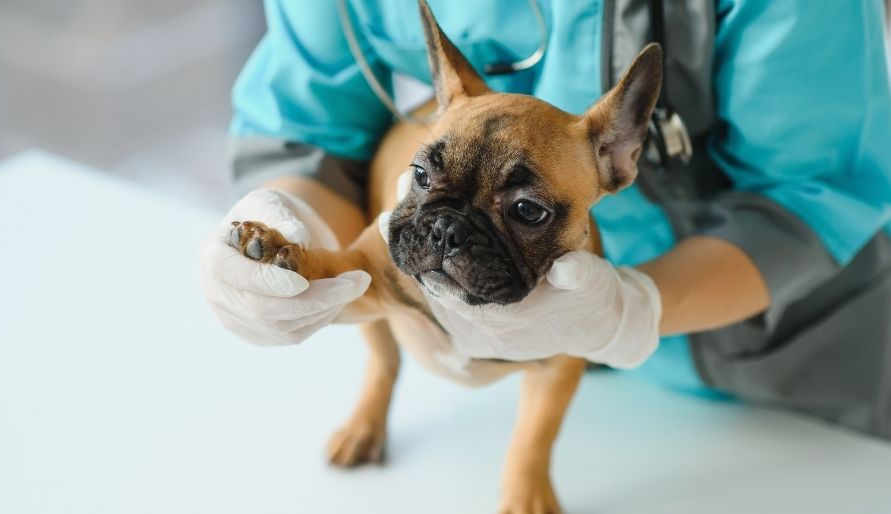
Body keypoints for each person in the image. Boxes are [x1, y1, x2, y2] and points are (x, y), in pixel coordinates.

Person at [202, 0, 891, 439]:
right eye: (427, 182)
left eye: (525, 209)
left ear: (620, 155)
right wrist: (287, 234)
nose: (447, 233)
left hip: (784, 355)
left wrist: (634, 308)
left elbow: (808, 191)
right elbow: (309, 125)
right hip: (575, 403)